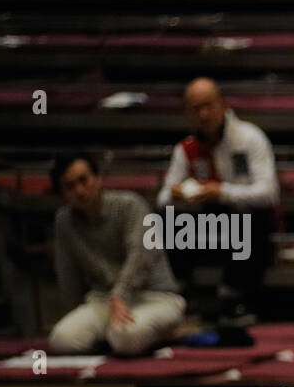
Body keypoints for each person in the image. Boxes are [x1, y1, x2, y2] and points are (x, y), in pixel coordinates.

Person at [154, 77, 280, 326]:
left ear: (223, 104)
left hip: (249, 228)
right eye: (195, 108)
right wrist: (178, 195)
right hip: (211, 228)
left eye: (208, 105)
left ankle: (235, 298)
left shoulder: (250, 138)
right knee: (162, 218)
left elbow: (269, 193)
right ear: (187, 113)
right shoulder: (185, 149)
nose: (203, 114)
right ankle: (179, 292)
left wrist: (221, 192)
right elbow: (163, 198)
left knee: (248, 218)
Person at [47, 152, 186, 356]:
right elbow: (68, 275)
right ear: (62, 193)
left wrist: (119, 296)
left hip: (154, 297)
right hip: (102, 300)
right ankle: (111, 335)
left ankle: (153, 332)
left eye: (83, 180)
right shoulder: (64, 221)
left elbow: (140, 257)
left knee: (124, 337)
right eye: (69, 186)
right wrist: (74, 315)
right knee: (62, 339)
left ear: (98, 178)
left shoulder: (131, 205)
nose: (79, 190)